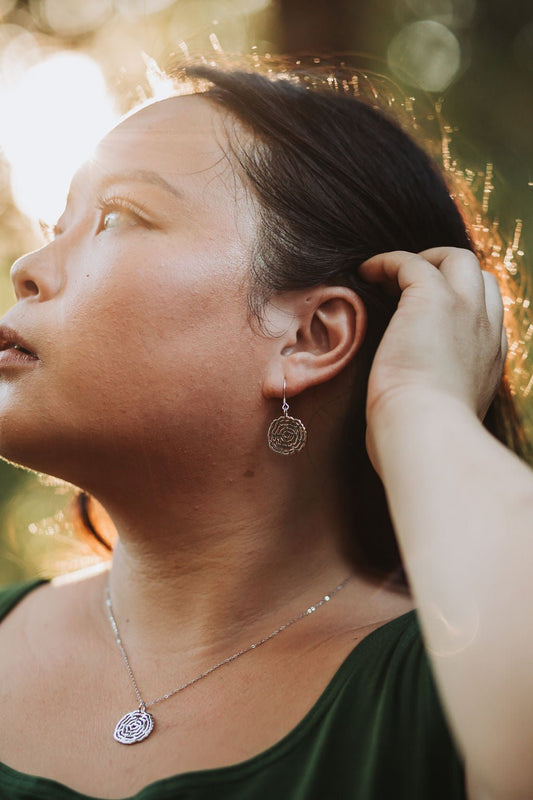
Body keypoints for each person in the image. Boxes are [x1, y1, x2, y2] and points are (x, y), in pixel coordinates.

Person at [0, 61, 532, 800]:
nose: (28, 267)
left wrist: (418, 404)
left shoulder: (451, 690)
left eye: (117, 216)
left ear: (310, 338)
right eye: (56, 228)